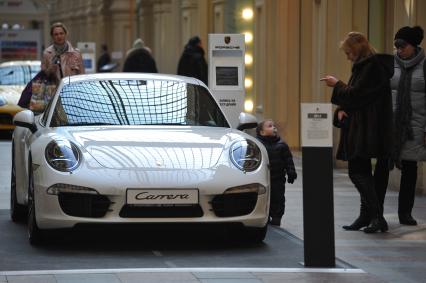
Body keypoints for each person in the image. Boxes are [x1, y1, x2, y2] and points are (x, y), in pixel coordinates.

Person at [321, 32, 394, 233]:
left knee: (358, 172)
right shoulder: (368, 67)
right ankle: (367, 216)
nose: (347, 56)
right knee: (361, 171)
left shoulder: (373, 67)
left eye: (348, 52)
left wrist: (337, 84)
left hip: (369, 128)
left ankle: (377, 217)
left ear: (357, 49)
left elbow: (358, 94)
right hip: (366, 126)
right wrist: (343, 108)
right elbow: (358, 96)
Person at [391, 26, 425, 226]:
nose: (398, 49)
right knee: (383, 167)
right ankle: (375, 214)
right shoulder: (391, 65)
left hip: (415, 126)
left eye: (402, 45)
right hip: (392, 124)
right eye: (396, 45)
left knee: (410, 169)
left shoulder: (425, 66)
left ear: (413, 45)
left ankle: (405, 212)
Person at [256, 119, 297, 226]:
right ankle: (264, 218)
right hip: (262, 180)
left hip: (278, 180)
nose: (274, 127)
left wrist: (291, 172)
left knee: (278, 199)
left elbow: (288, 160)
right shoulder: (258, 144)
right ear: (262, 132)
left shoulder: (282, 145)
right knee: (263, 199)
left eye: (274, 126)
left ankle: (276, 219)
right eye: (270, 126)